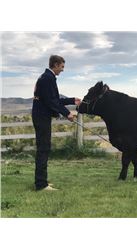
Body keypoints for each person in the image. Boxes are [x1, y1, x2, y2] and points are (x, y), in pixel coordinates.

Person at [32, 55, 81, 191]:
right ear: (55, 64)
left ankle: (42, 181)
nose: (62, 70)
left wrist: (72, 100)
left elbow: (54, 98)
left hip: (41, 117)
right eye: (62, 67)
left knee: (44, 148)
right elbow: (51, 102)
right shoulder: (48, 78)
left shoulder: (47, 77)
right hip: (41, 117)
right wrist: (67, 113)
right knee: (43, 149)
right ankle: (41, 185)